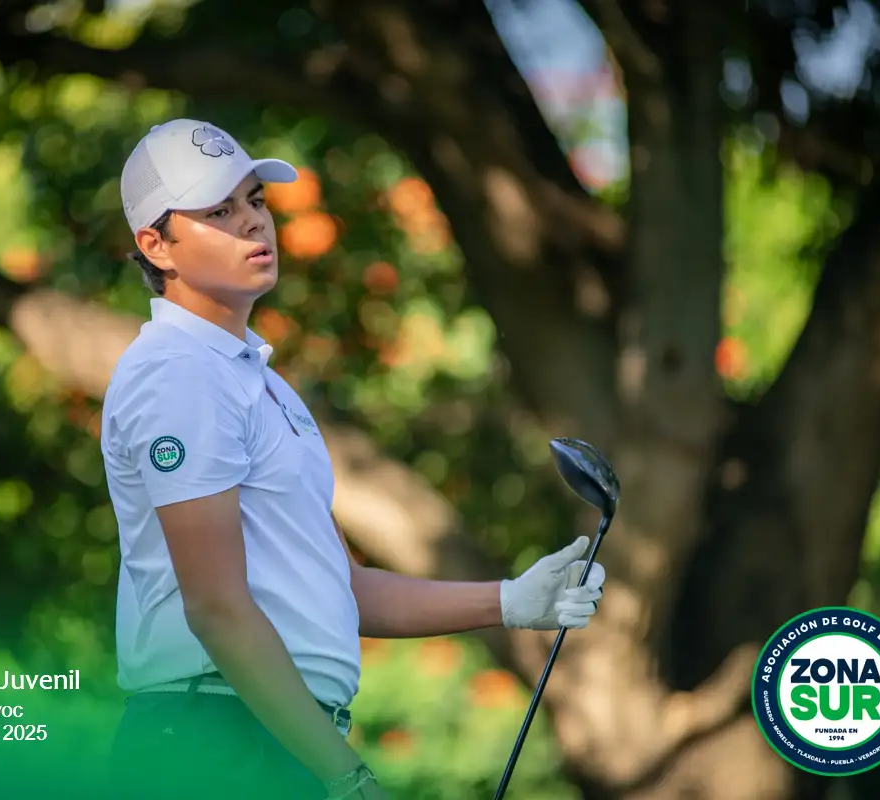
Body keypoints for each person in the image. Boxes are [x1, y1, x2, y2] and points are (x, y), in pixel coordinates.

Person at [100, 118, 606, 800]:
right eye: (218, 211)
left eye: (255, 200)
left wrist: (510, 600)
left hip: (264, 737)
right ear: (156, 246)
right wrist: (343, 772)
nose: (253, 221)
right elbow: (216, 606)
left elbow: (347, 586)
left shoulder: (259, 383)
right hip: (211, 738)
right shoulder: (178, 371)